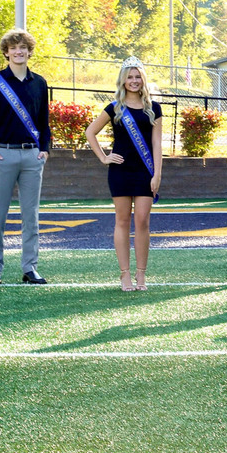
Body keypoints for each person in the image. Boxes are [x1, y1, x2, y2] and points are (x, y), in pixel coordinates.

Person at [0, 29, 51, 285]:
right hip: (2, 155)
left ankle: (30, 268)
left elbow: (44, 121)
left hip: (32, 156)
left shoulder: (40, 83)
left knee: (30, 216)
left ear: (29, 51)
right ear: (6, 52)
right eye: (13, 47)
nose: (18, 51)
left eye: (23, 47)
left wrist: (45, 150)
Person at [85, 57, 163, 291]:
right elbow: (90, 132)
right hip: (120, 171)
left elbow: (157, 144)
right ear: (123, 80)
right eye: (129, 77)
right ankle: (125, 274)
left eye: (138, 76)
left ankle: (141, 275)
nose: (134, 81)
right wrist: (104, 157)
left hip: (145, 171)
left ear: (143, 79)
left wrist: (157, 173)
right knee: (122, 221)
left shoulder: (154, 108)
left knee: (142, 221)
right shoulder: (114, 108)